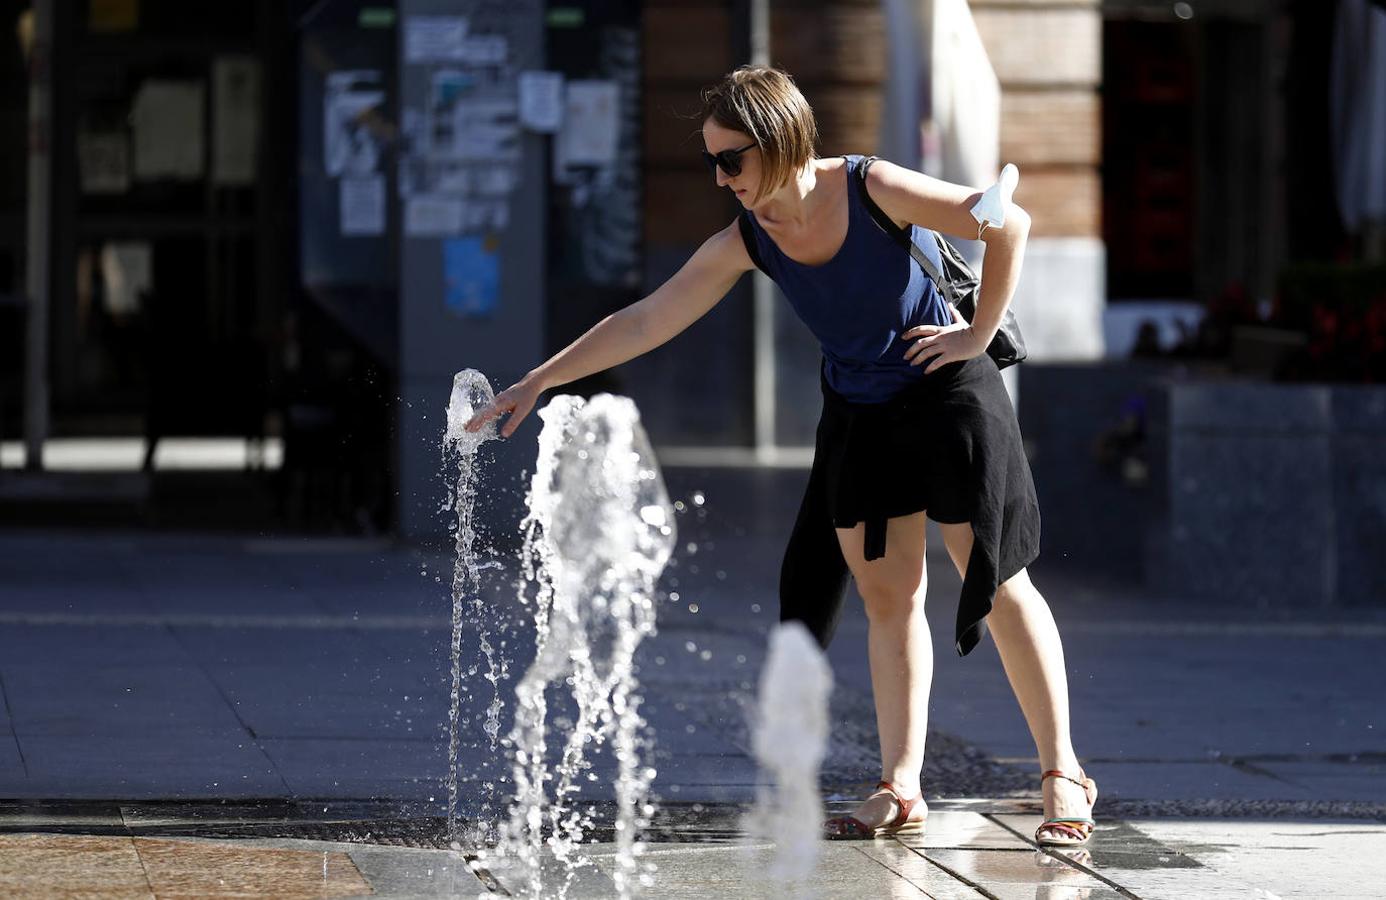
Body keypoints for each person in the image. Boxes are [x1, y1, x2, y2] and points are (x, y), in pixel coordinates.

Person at [465, 65, 1098, 846]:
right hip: (861, 411)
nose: (721, 178)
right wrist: (537, 381)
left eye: (730, 159)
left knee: (994, 581)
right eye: (712, 163)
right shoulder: (750, 237)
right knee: (888, 597)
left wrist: (975, 332)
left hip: (946, 391)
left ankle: (1062, 771)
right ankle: (901, 785)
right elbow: (647, 318)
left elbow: (1006, 222)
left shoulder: (871, 187)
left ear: (779, 140)